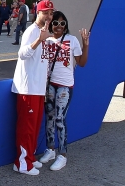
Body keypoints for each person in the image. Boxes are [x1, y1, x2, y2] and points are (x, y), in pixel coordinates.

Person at [37, 11, 89, 172]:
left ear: (66, 26)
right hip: (50, 85)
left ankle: (63, 155)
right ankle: (50, 149)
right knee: (50, 118)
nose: (59, 26)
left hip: (65, 86)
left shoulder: (71, 40)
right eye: (55, 23)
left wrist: (85, 44)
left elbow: (81, 63)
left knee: (60, 118)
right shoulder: (47, 40)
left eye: (62, 23)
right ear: (51, 25)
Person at [10, 0, 55, 175]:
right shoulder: (31, 31)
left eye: (51, 13)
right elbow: (22, 54)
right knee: (26, 128)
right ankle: (22, 163)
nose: (49, 16)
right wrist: (39, 40)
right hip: (27, 88)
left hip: (38, 88)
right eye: (46, 13)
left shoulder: (44, 32)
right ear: (38, 12)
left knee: (35, 127)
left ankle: (29, 158)